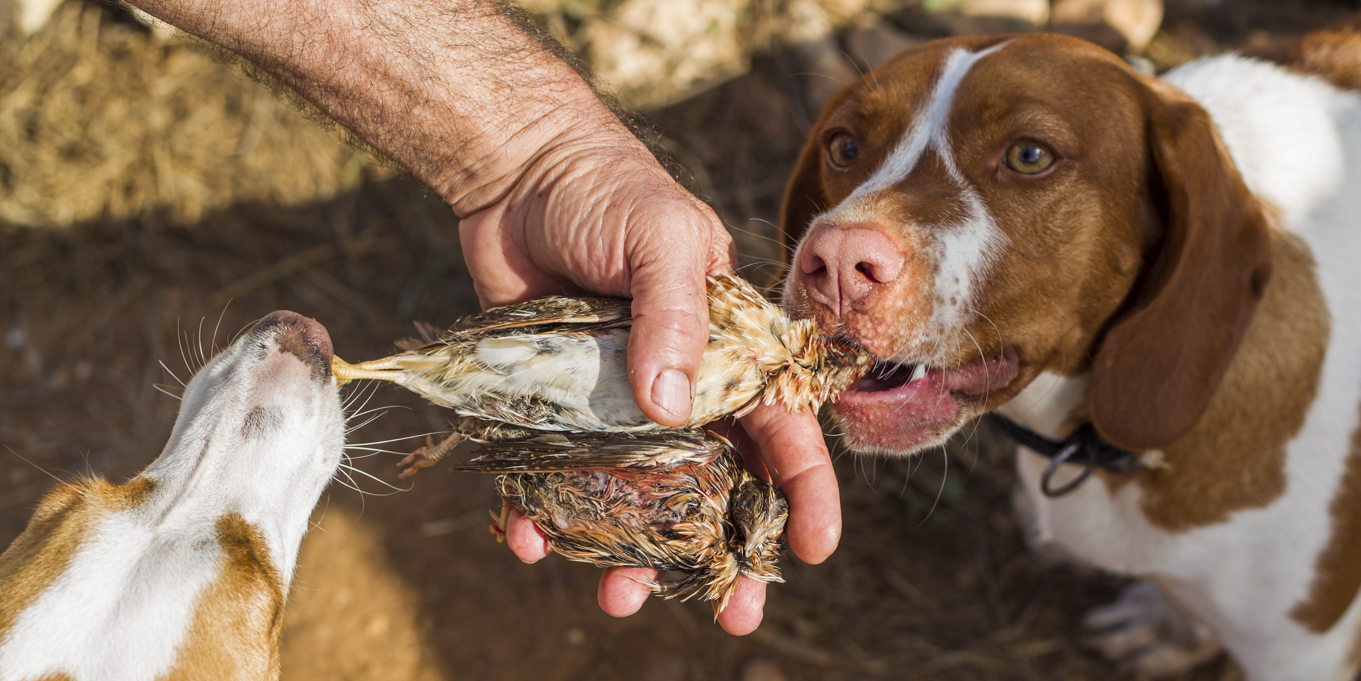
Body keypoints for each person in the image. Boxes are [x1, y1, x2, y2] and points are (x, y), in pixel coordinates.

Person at [125, 0, 842, 638]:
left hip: (530, 399)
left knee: (470, 393)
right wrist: (540, 155)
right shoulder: (732, 360)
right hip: (532, 375)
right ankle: (395, 376)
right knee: (464, 383)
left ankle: (400, 379)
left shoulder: (712, 458)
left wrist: (538, 153)